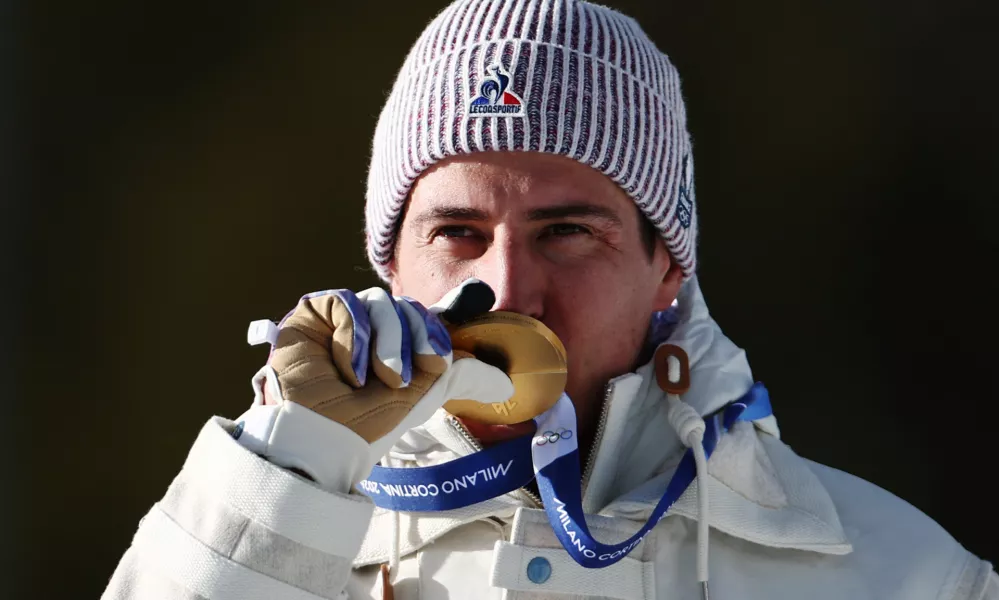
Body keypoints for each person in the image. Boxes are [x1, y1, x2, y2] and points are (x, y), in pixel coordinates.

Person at [102, 1, 996, 598]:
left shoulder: (901, 576)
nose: (508, 287)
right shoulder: (259, 532)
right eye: (455, 233)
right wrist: (288, 468)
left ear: (668, 269)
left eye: (566, 233)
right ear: (392, 271)